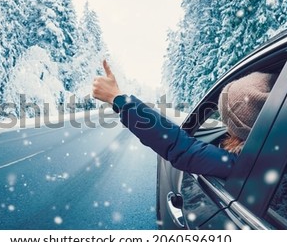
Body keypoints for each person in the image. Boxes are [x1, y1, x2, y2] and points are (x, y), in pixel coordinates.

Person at [92, 60, 276, 178]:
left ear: (243, 125)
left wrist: (118, 99)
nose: (225, 127)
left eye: (227, 119)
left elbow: (180, 147)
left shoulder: (245, 163)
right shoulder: (280, 155)